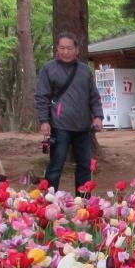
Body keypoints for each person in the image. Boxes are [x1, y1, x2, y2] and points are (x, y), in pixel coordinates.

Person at [35, 31, 103, 192]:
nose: (65, 52)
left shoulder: (85, 70)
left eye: (69, 48)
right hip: (59, 126)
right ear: (57, 49)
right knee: (56, 165)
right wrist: (44, 121)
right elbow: (41, 97)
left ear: (77, 50)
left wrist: (98, 116)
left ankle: (83, 201)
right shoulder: (49, 69)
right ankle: (49, 200)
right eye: (62, 48)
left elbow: (94, 96)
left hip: (83, 127)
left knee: (85, 166)